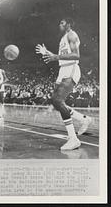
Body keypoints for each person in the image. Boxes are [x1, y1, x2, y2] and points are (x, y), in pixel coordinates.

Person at [36, 18, 92, 150]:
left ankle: (74, 139)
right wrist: (48, 54)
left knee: (58, 100)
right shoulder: (63, 38)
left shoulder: (72, 34)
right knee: (56, 101)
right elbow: (61, 56)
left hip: (71, 68)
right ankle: (83, 119)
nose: (59, 24)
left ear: (69, 24)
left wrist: (55, 56)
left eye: (62, 22)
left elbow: (76, 55)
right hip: (63, 69)